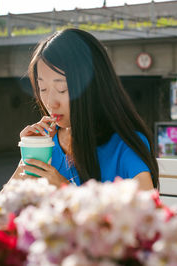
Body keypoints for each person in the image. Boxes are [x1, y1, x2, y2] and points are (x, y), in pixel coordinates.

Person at [10, 28, 159, 191]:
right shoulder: (48, 144)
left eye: (62, 89)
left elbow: (150, 212)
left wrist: (65, 190)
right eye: (42, 88)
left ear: (92, 87)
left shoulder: (123, 146)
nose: (51, 103)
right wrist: (27, 159)